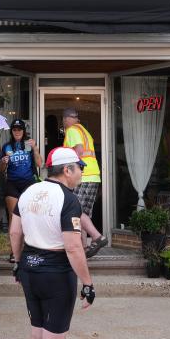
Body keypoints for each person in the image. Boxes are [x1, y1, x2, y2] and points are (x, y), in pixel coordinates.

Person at [10, 147, 94, 339]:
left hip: (29, 270)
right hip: (56, 273)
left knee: (36, 334)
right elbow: (73, 247)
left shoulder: (29, 191)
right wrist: (88, 282)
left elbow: (15, 232)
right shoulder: (69, 199)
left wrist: (18, 262)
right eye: (79, 167)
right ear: (67, 170)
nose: (81, 172)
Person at [61, 108, 107, 258]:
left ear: (67, 119)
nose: (63, 123)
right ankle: (84, 247)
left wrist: (66, 168)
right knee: (82, 213)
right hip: (92, 175)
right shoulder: (84, 130)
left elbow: (79, 151)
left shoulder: (72, 130)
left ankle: (97, 237)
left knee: (76, 211)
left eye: (63, 120)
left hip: (83, 176)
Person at [0, 119, 42, 228]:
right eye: (14, 129)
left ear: (24, 131)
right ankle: (13, 244)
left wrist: (35, 149)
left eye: (19, 129)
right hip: (12, 183)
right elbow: (1, 170)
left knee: (30, 215)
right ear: (11, 132)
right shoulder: (6, 146)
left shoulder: (29, 144)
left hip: (29, 182)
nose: (17, 132)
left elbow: (39, 164)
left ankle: (29, 243)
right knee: (13, 216)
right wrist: (3, 162)